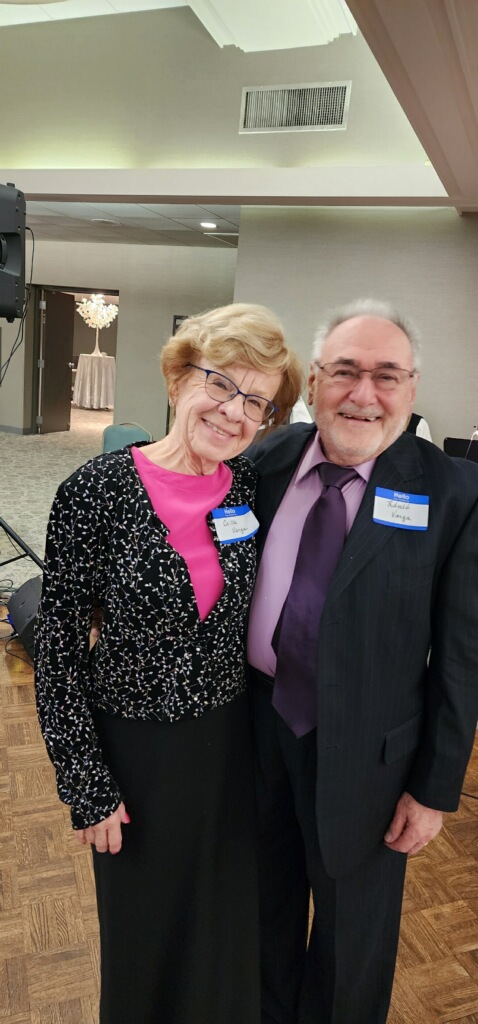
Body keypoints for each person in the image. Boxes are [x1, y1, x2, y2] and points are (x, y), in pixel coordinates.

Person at [34, 302, 302, 1024]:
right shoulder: (96, 492)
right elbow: (57, 651)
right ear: (182, 376)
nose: (234, 411)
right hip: (134, 754)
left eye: (257, 401)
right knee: (145, 935)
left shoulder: (247, 489)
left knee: (221, 930)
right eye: (221, 383)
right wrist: (86, 785)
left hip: (228, 748)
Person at [246, 297, 478, 1024]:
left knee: (352, 947)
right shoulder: (264, 460)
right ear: (314, 381)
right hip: (255, 730)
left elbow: (463, 656)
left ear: (412, 387)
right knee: (260, 914)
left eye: (386, 375)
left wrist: (435, 788)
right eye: (345, 371)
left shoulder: (453, 492)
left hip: (374, 762)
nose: (364, 393)